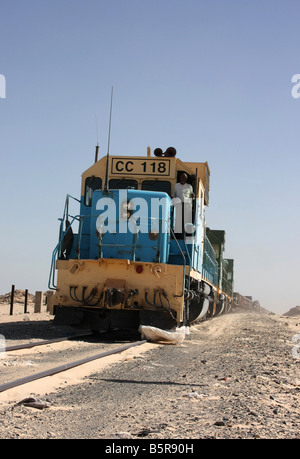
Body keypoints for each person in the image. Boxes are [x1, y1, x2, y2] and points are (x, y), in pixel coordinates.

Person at [172, 173, 195, 237]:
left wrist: (192, 197)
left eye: (184, 178)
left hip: (187, 206)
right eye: (182, 177)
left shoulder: (189, 187)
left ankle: (185, 235)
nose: (183, 178)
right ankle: (178, 235)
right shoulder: (176, 186)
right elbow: (173, 194)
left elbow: (192, 197)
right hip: (178, 205)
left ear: (186, 179)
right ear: (180, 178)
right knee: (178, 220)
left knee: (186, 221)